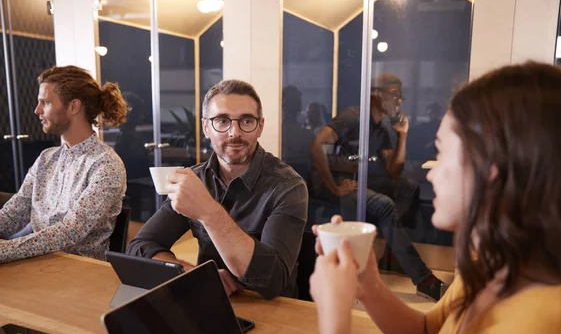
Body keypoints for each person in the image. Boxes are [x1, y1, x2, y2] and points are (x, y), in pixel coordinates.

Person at [309, 62, 561, 334]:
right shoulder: (492, 263)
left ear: (493, 166)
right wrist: (369, 285)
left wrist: (334, 317)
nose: (432, 171)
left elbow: (393, 169)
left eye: (441, 151)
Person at [127, 79, 309, 300]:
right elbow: (140, 246)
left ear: (260, 127)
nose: (234, 132)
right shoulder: (195, 179)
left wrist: (209, 212)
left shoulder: (288, 186)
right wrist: (191, 273)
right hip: (207, 301)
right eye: (222, 121)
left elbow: (273, 283)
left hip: (273, 313)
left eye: (247, 121)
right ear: (206, 127)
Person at [310, 73, 443, 300]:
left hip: (354, 180)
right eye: (394, 95)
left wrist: (403, 135)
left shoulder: (380, 128)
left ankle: (394, 257)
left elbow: (394, 171)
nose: (399, 101)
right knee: (384, 205)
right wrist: (333, 186)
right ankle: (424, 279)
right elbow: (316, 146)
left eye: (401, 96)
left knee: (408, 188)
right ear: (376, 95)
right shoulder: (353, 117)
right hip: (331, 182)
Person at [0, 65, 128, 263]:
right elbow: (15, 212)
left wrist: (5, 250)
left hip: (79, 272)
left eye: (46, 103)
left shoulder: (106, 164)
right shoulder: (46, 158)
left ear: (74, 107)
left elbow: (71, 231)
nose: (37, 110)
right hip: (36, 263)